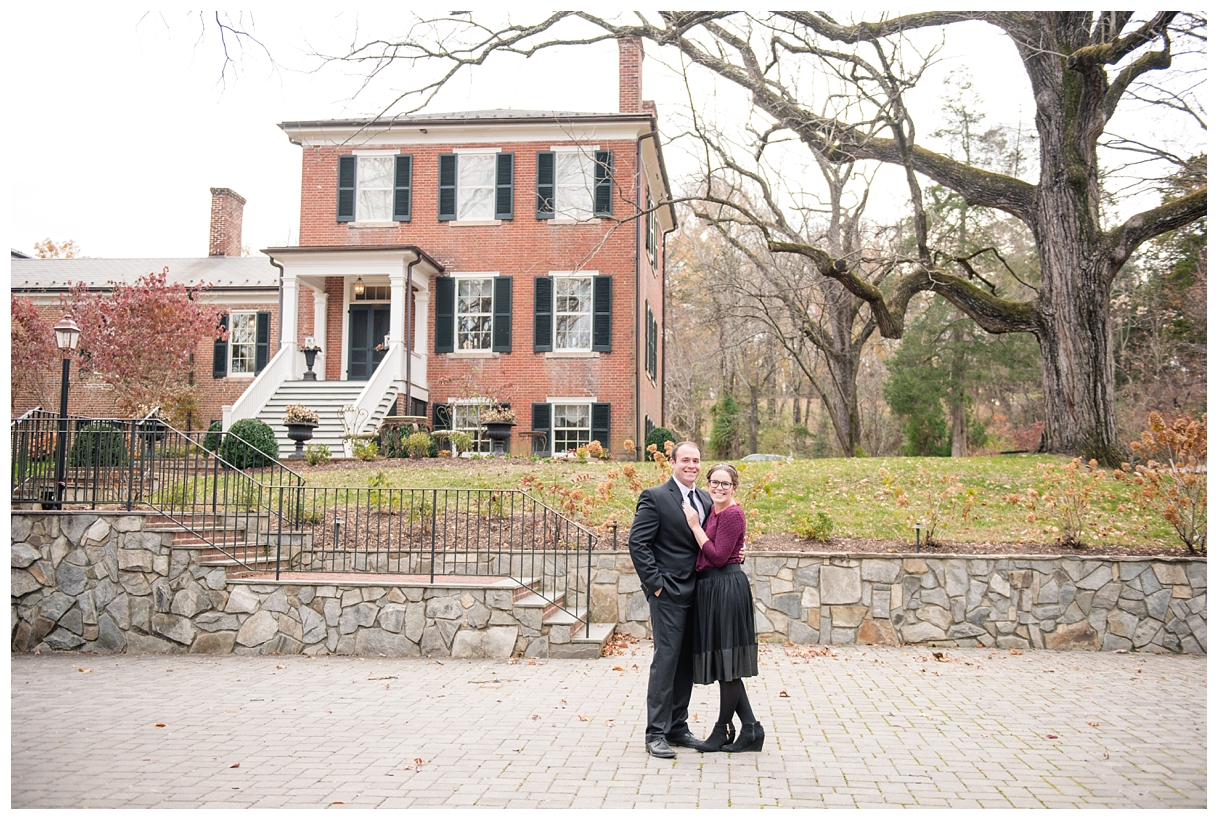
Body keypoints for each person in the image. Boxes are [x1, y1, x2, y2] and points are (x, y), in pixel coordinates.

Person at [628, 441, 713, 759]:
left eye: (696, 460)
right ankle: (656, 733)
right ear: (673, 463)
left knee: (687, 661)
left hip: (700, 592)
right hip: (668, 593)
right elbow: (638, 543)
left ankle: (678, 726)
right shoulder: (655, 497)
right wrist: (656, 586)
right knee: (666, 660)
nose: (691, 465)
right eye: (686, 460)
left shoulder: (705, 498)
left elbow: (709, 541)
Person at [681, 462, 763, 753]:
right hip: (712, 589)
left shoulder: (732, 513)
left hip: (726, 588)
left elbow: (716, 556)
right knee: (724, 662)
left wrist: (694, 527)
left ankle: (722, 730)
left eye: (725, 484)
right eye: (714, 482)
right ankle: (751, 728)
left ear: (734, 487)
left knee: (728, 663)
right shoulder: (712, 509)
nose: (718, 488)